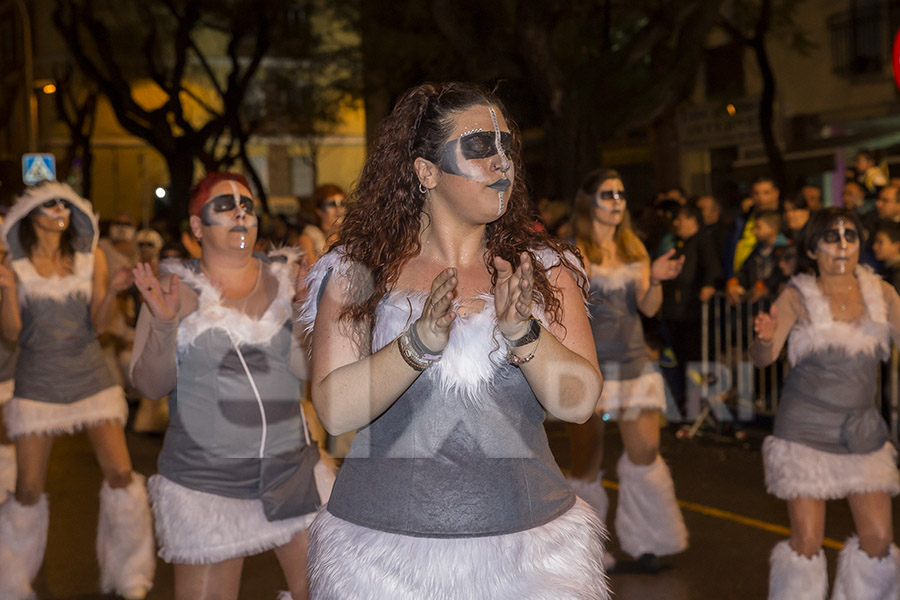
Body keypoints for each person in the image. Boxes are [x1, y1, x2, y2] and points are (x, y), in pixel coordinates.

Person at [300, 82, 608, 598]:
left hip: (530, 561)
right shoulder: (357, 273)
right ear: (425, 171)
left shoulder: (545, 269)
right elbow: (334, 410)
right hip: (382, 565)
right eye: (480, 147)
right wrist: (416, 345)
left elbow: (579, 404)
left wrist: (522, 331)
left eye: (506, 145)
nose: (501, 161)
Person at [129, 172, 331, 600]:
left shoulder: (286, 280)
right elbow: (150, 386)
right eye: (224, 205)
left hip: (289, 471)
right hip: (208, 483)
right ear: (197, 226)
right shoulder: (173, 288)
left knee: (325, 592)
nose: (240, 212)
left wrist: (305, 317)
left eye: (248, 205)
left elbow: (305, 370)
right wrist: (164, 325)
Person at [0, 182, 154, 600]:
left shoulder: (92, 258)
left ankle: (132, 575)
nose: (59, 209)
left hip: (91, 377)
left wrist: (117, 290)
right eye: (49, 203)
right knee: (28, 488)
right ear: (30, 214)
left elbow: (101, 325)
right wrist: (7, 288)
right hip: (38, 383)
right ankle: (11, 583)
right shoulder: (12, 265)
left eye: (65, 203)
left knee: (122, 475)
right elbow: (12, 332)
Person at [752, 207, 900, 599]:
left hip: (862, 433)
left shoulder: (882, 294)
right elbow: (764, 357)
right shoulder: (796, 295)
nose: (842, 245)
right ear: (813, 249)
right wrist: (765, 339)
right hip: (805, 432)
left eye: (850, 236)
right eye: (831, 238)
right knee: (807, 542)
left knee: (880, 542)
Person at [566, 168, 688, 573]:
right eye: (607, 194)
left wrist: (658, 278)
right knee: (586, 465)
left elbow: (650, 308)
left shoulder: (636, 249)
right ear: (589, 201)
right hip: (591, 373)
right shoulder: (573, 251)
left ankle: (650, 542)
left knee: (646, 454)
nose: (616, 201)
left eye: (620, 194)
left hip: (635, 367)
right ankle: (583, 551)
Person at [297, 183, 346, 264]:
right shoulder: (308, 238)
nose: (339, 210)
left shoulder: (349, 236)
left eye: (342, 204)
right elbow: (312, 272)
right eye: (332, 205)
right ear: (319, 210)